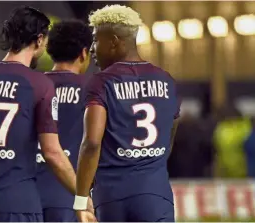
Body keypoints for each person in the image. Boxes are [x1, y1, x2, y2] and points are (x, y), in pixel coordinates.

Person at [74, 5, 180, 222]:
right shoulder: (166, 80)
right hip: (156, 193)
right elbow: (169, 137)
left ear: (113, 41)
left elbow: (92, 143)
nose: (92, 48)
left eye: (95, 40)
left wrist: (81, 199)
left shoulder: (101, 82)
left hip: (112, 196)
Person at [0, 6, 79, 222]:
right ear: (39, 40)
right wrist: (82, 195)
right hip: (18, 202)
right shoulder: (40, 85)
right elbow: (52, 153)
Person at [35, 20, 92, 222]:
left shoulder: (32, 87)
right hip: (72, 196)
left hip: (28, 197)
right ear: (84, 53)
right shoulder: (93, 90)